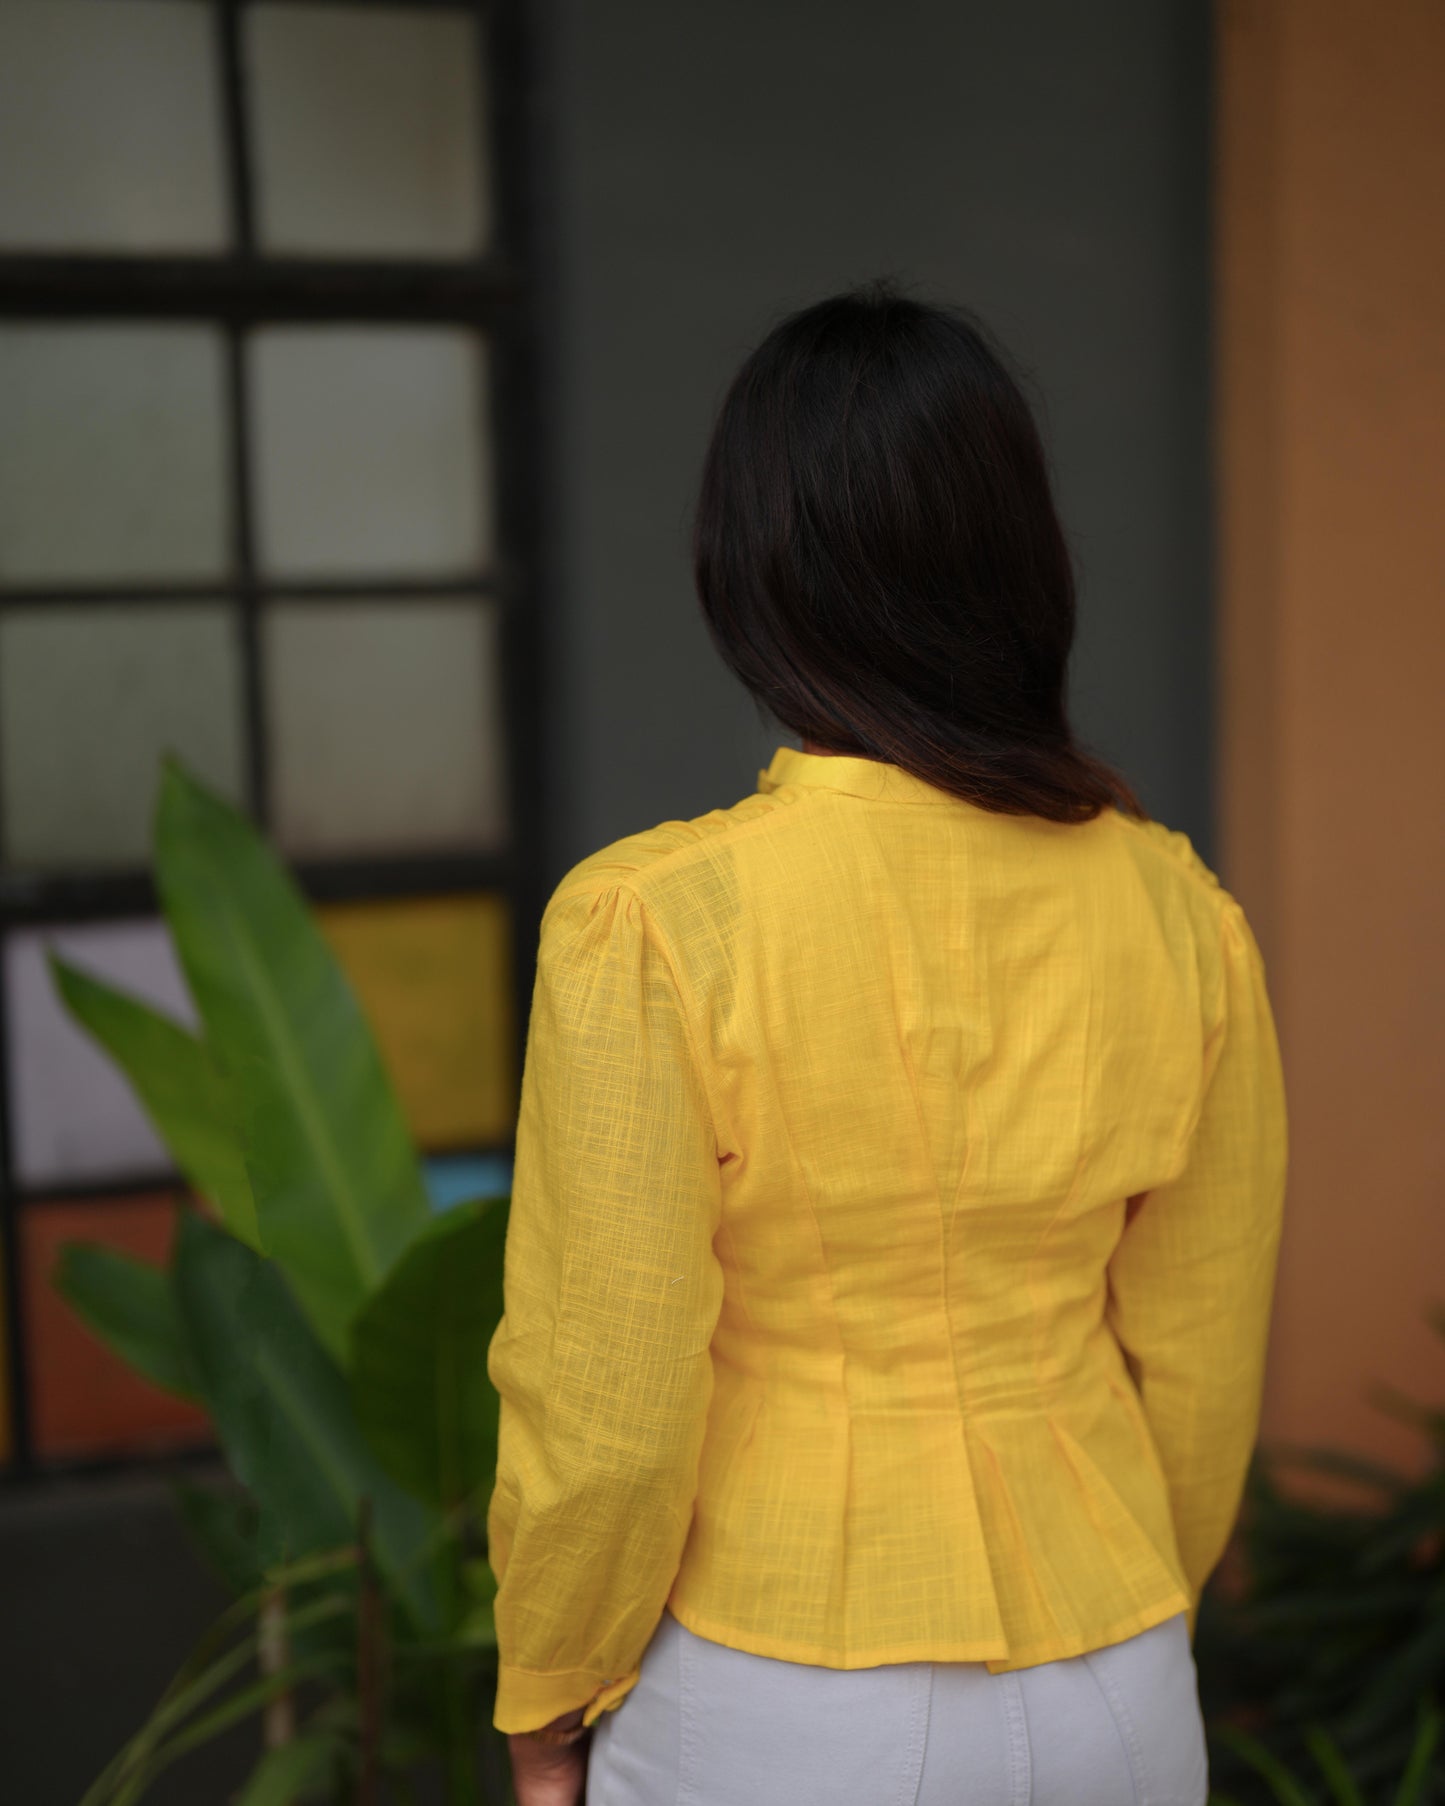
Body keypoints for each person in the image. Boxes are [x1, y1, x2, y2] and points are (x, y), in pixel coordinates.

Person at [486, 282, 1289, 1806]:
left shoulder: (654, 923)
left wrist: (546, 1700)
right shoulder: (1182, 913)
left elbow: (608, 1400)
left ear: (755, 573)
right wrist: (1116, 1588)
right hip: (1116, 1669)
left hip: (777, 1684)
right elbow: (1196, 1360)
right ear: (1022, 568)